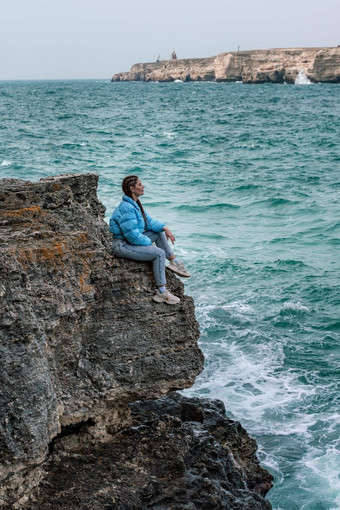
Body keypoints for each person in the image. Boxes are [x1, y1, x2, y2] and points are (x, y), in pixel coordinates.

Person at [109, 175, 190, 305]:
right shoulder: (127, 207)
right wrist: (149, 244)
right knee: (159, 253)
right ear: (132, 188)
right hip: (122, 245)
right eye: (140, 184)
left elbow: (148, 222)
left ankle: (174, 261)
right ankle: (162, 292)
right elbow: (132, 235)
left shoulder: (134, 204)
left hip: (128, 241)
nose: (143, 186)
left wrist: (165, 228)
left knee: (158, 232)